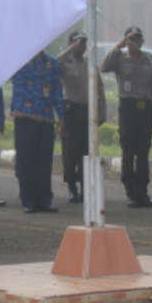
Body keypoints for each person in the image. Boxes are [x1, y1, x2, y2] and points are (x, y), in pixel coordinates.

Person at [100, 26, 152, 208]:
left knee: (143, 151)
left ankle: (143, 191)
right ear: (126, 41)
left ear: (142, 41)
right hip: (128, 110)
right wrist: (119, 46)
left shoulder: (150, 60)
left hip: (146, 110)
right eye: (131, 38)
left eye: (137, 38)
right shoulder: (119, 59)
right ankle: (130, 192)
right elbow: (103, 67)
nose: (135, 41)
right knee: (128, 150)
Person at [10, 50, 64, 214]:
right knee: (26, 160)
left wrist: (61, 116)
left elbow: (57, 90)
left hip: (46, 117)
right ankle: (28, 200)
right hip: (25, 117)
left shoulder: (52, 63)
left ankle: (44, 200)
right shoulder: (19, 59)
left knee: (44, 161)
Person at [56, 31, 107, 203]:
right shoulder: (65, 63)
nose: (83, 47)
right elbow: (55, 63)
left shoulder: (89, 64)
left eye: (84, 43)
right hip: (71, 112)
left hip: (87, 113)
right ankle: (72, 188)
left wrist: (101, 113)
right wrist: (68, 50)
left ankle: (86, 187)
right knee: (70, 151)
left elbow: (100, 89)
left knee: (87, 151)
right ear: (71, 44)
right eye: (79, 43)